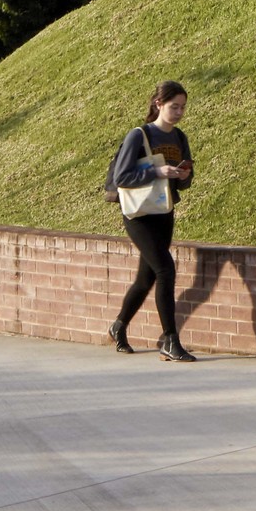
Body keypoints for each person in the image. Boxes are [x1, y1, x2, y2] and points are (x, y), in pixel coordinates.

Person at [106, 80, 197, 361]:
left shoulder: (179, 137)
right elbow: (121, 178)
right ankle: (170, 340)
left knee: (146, 277)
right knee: (166, 270)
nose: (179, 112)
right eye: (174, 106)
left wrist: (183, 176)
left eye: (182, 107)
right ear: (158, 104)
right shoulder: (140, 135)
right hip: (138, 214)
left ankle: (118, 326)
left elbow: (185, 180)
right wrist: (158, 172)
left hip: (163, 210)